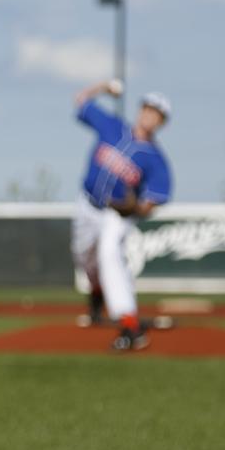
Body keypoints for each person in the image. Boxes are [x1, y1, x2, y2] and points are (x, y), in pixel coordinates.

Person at [70, 79, 172, 351]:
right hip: (87, 204)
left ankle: (129, 324)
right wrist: (103, 87)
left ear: (162, 122)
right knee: (84, 258)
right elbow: (80, 99)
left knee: (109, 255)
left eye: (157, 114)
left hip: (117, 215)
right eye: (148, 109)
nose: (151, 116)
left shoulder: (156, 159)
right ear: (140, 110)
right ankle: (96, 292)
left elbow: (153, 200)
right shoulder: (113, 126)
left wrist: (135, 209)